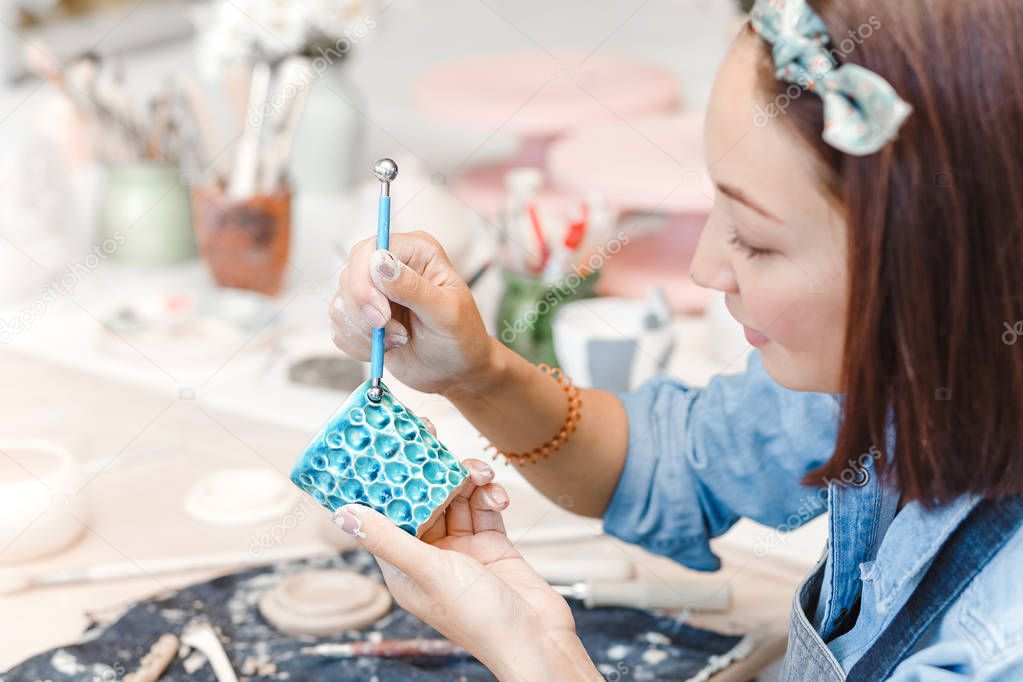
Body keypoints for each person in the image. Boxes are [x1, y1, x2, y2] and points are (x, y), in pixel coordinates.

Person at [326, 0, 1023, 679]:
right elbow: (672, 462)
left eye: (753, 239)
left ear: (935, 264)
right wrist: (476, 370)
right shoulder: (890, 372)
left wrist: (535, 653)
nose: (703, 267)